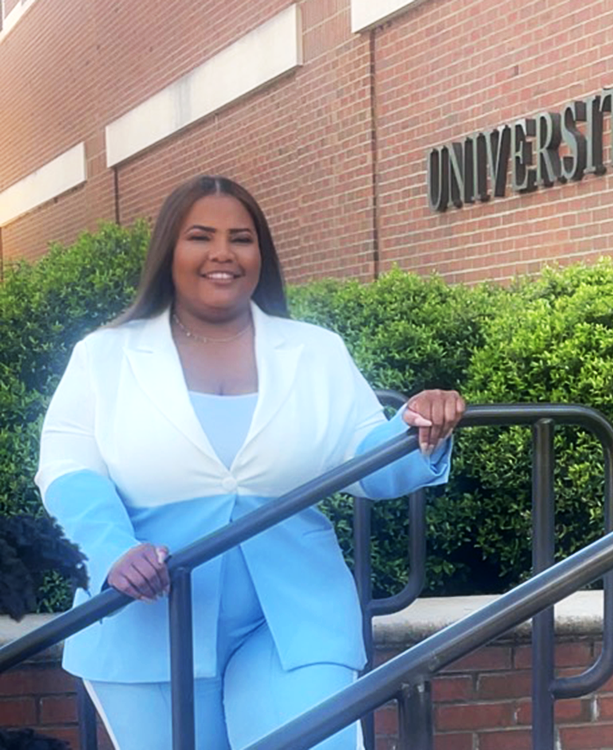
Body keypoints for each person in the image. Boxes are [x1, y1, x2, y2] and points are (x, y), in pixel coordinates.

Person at [35, 175, 465, 750]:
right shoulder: (104, 356)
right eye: (200, 237)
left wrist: (417, 428)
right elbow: (67, 467)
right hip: (150, 615)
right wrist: (113, 550)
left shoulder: (315, 351)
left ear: (260, 253)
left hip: (293, 616)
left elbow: (369, 464)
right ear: (170, 251)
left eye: (240, 238)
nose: (222, 253)